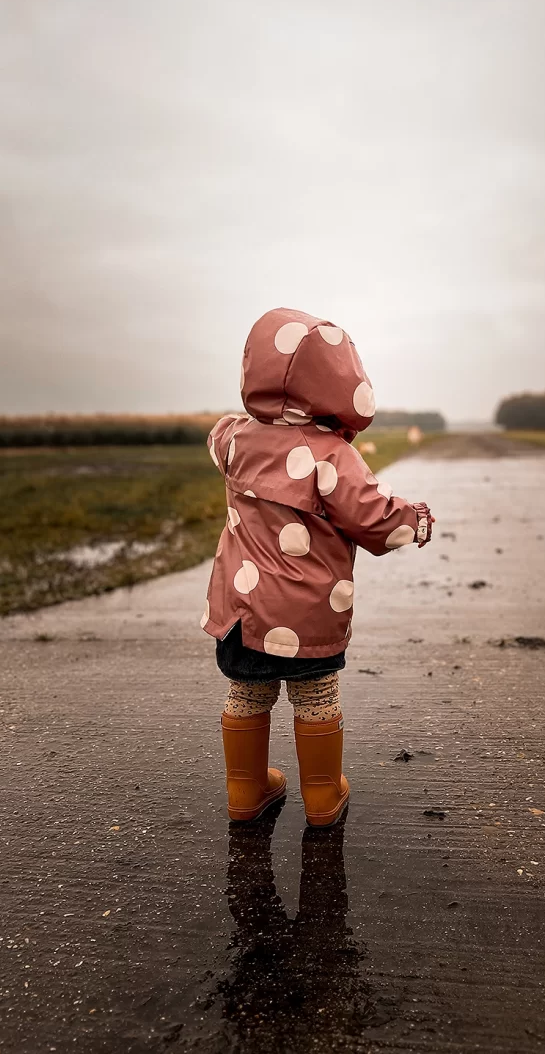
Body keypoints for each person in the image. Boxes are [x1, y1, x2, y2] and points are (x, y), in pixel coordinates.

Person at [201, 308, 433, 827]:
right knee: (316, 695)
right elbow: (373, 517)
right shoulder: (332, 456)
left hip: (242, 609)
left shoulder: (236, 439)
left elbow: (215, 436)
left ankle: (246, 789)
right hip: (308, 614)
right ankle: (324, 797)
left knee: (247, 691)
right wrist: (414, 519)